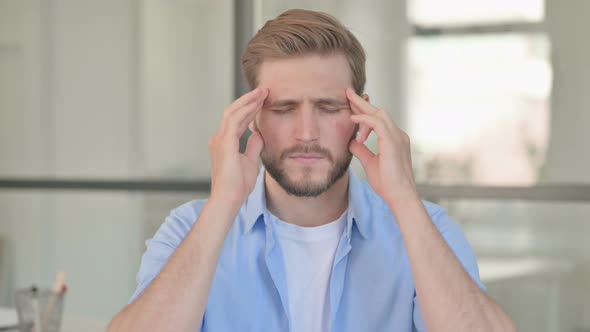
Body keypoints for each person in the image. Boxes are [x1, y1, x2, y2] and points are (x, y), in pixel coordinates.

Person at [108, 9, 515, 332]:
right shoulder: (187, 229)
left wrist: (405, 199)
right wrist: (223, 204)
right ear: (251, 118)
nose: (306, 133)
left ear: (362, 115)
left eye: (329, 108)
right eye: (283, 109)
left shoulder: (428, 229)